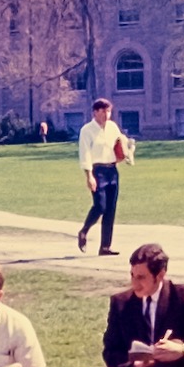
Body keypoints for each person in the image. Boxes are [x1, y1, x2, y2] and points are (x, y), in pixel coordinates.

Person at [77, 98, 127, 256]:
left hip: (112, 169)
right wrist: (89, 176)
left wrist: (125, 153)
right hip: (97, 170)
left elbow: (120, 143)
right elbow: (84, 153)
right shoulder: (87, 130)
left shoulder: (112, 127)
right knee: (100, 206)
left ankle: (105, 246)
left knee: (110, 210)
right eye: (103, 111)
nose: (107, 114)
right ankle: (84, 231)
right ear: (95, 112)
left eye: (109, 111)